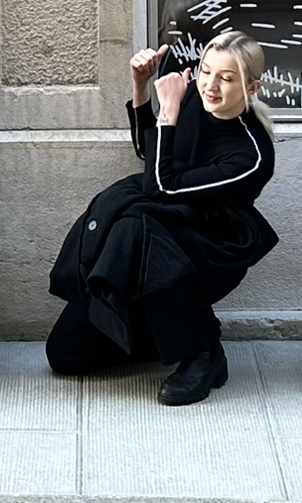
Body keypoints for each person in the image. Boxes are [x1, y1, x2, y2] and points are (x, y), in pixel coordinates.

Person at [47, 33, 278, 406]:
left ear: (251, 87)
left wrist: (168, 111)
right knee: (66, 355)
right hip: (156, 234)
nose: (211, 85)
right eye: (205, 72)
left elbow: (161, 188)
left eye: (227, 77)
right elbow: (149, 152)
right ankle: (159, 323)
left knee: (135, 227)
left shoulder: (250, 155)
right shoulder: (194, 99)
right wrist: (141, 88)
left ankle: (202, 351)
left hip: (207, 249)